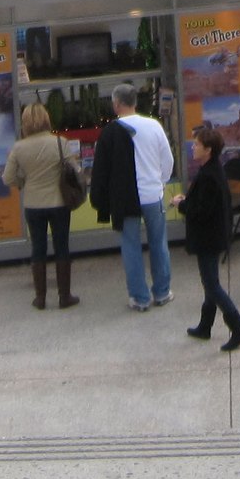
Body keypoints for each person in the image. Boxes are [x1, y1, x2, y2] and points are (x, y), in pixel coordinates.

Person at [92, 84, 173, 311]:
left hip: (125, 198)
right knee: (158, 243)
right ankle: (162, 292)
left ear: (116, 104)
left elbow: (101, 170)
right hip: (152, 195)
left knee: (130, 246)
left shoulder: (109, 132)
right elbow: (167, 160)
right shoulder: (154, 125)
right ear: (135, 102)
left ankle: (139, 297)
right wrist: (161, 182)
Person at [177, 122, 240, 351]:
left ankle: (238, 328)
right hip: (214, 235)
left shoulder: (209, 176)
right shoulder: (213, 171)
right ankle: (205, 325)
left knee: (211, 284)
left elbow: (201, 210)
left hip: (208, 237)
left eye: (197, 145)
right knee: (210, 281)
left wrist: (182, 205)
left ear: (208, 150)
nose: (193, 148)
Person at [4, 103, 83, 311]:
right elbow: (74, 170)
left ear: (25, 123)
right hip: (59, 203)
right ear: (47, 119)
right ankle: (64, 296)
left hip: (33, 204)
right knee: (61, 246)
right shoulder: (59, 142)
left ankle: (40, 298)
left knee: (38, 248)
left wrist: (24, 182)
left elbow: (8, 178)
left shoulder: (18, 148)